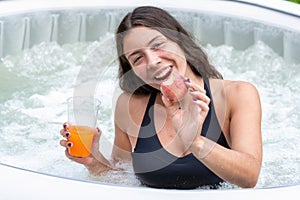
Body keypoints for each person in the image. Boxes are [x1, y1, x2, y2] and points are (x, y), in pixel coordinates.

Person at [60, 6, 262, 189]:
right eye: (138, 58)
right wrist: (93, 162)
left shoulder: (237, 95)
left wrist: (195, 142)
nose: (153, 61)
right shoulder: (128, 106)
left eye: (157, 45)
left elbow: (249, 177)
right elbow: (124, 179)